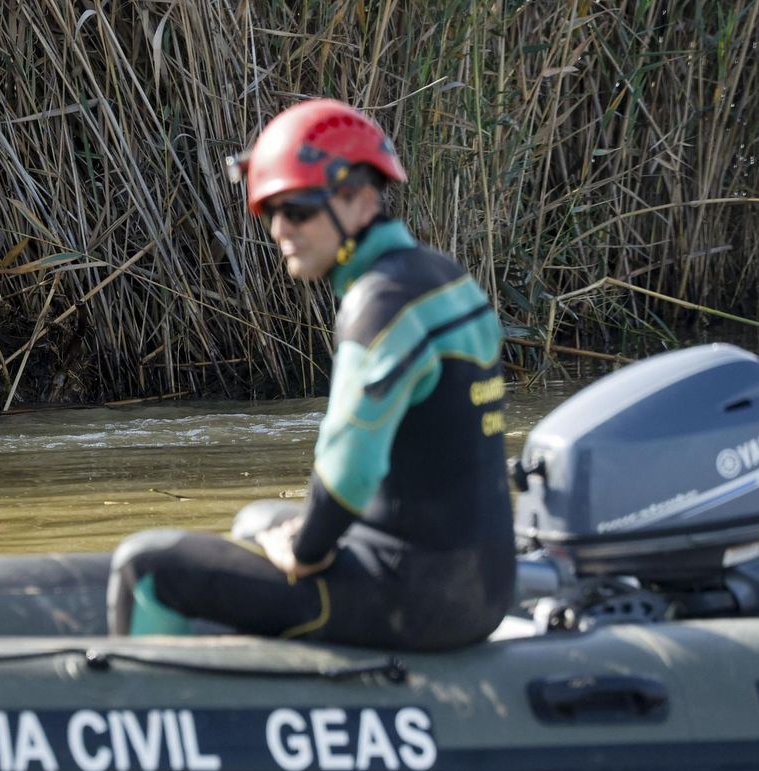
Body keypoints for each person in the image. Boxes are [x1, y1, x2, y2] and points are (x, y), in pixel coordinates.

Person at [106, 98, 514, 650]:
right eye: (269, 211)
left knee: (144, 566)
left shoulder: (380, 305)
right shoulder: (444, 277)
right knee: (258, 520)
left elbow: (350, 472)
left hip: (412, 601)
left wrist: (303, 552)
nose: (280, 229)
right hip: (483, 587)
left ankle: (161, 703)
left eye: (298, 210)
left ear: (360, 200)